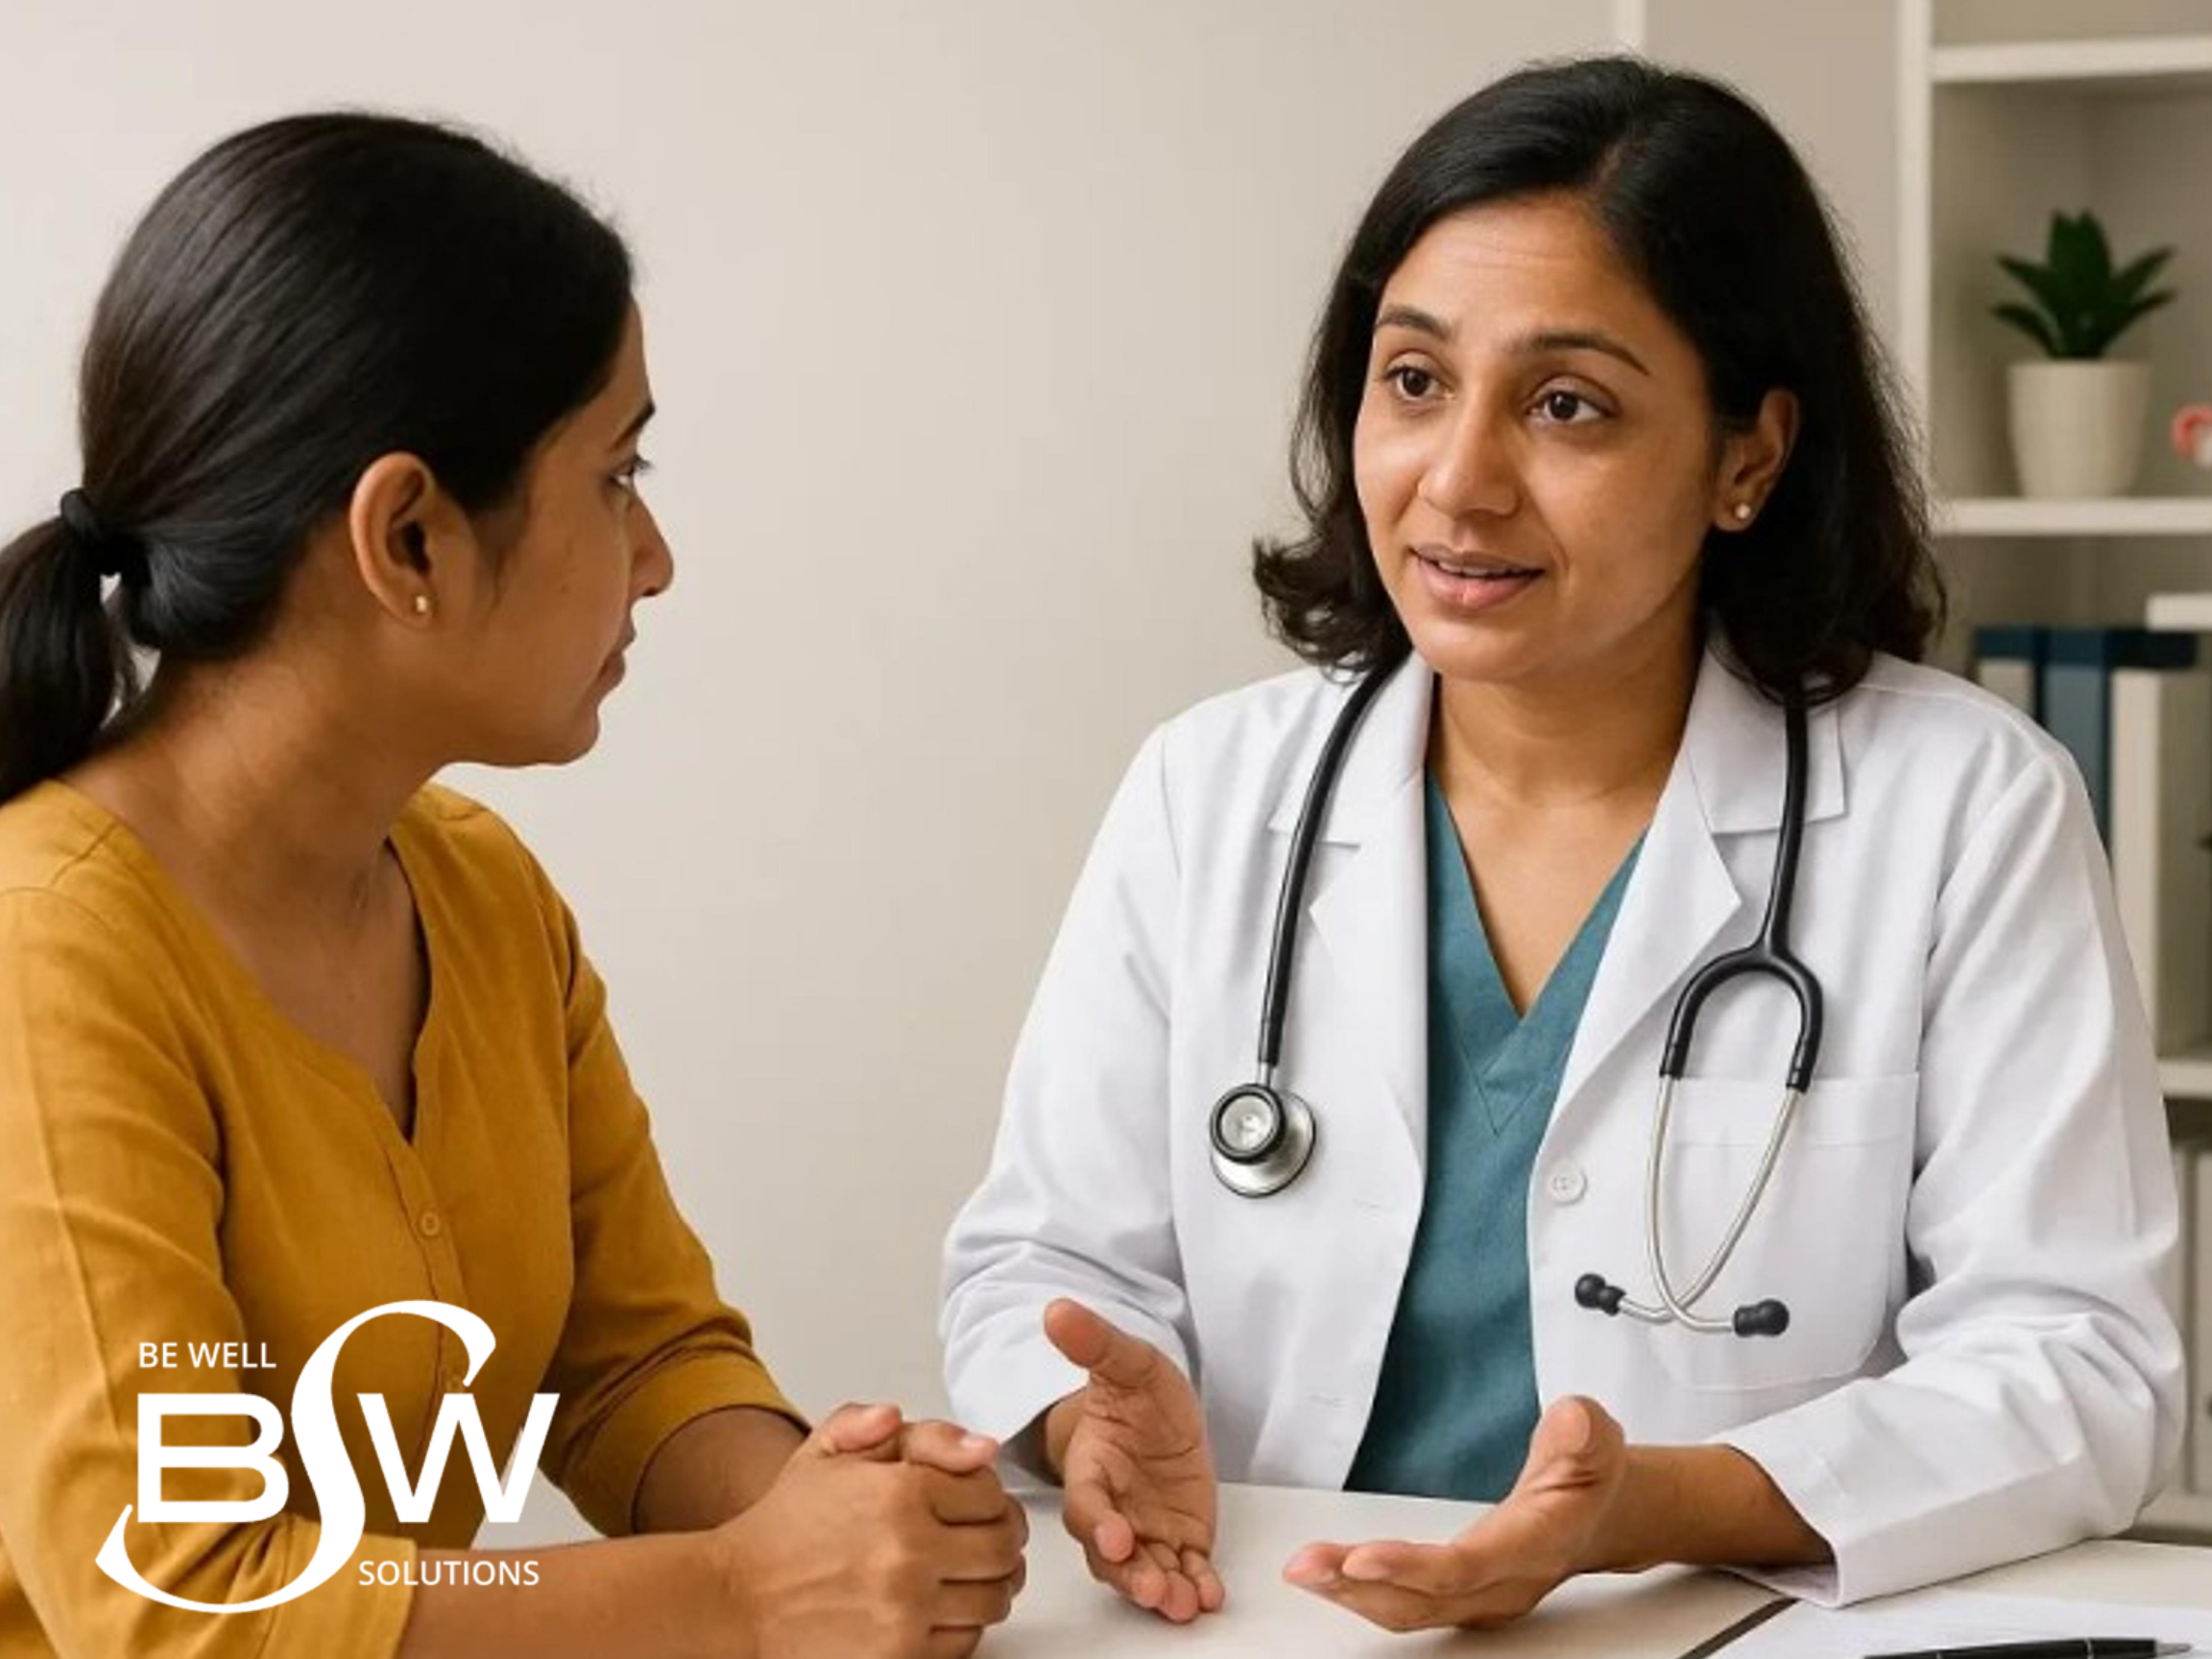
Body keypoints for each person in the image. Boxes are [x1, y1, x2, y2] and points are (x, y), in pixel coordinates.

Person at [940, 56, 2184, 1632]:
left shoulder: (1963, 807)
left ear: (1749, 457)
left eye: (1566, 406)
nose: (1459, 483)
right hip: (1268, 1621)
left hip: (1710, 1624)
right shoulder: (1212, 792)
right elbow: (1042, 1263)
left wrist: (1655, 1505)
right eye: (1414, 380)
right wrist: (1089, 1418)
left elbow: (2080, 1362)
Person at [0, 113, 1023, 1659]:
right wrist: (745, 1594)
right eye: (617, 475)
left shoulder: (479, 891)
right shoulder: (46, 955)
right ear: (409, 537)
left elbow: (632, 1365)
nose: (656, 555)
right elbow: (185, 1601)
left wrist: (853, 1516)